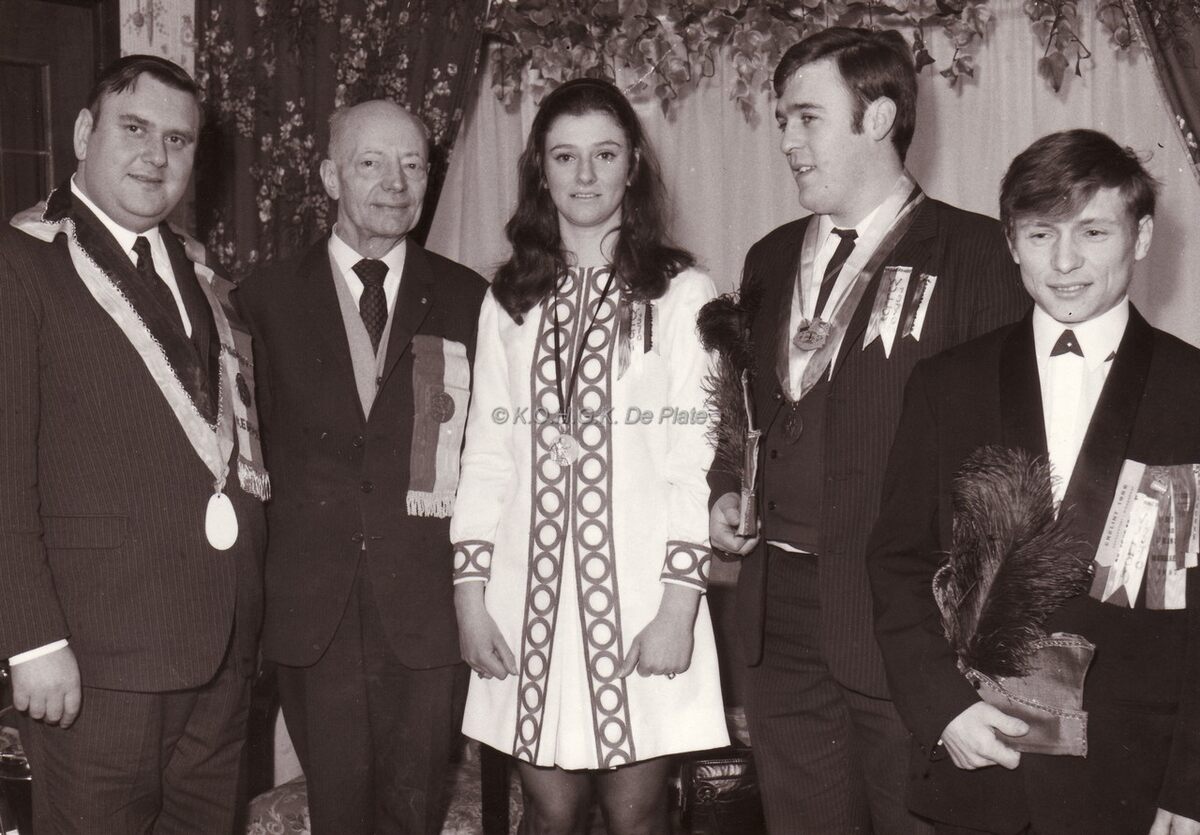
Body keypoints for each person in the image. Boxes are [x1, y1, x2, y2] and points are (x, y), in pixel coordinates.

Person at [707, 27, 1030, 833]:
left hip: (906, 625)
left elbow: (1007, 468)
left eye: (807, 118)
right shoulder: (770, 257)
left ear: (878, 117)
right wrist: (725, 489)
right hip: (777, 619)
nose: (788, 141)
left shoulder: (976, 254)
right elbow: (747, 407)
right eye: (783, 120)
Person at [867, 128, 1200, 835]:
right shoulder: (946, 385)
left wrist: (1193, 785)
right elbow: (898, 563)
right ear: (1012, 243)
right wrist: (943, 709)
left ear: (1141, 237)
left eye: (1094, 232)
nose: (1065, 261)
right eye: (1041, 234)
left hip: (1139, 780)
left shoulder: (1193, 391)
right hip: (983, 764)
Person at [450, 77, 729, 834]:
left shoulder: (682, 292)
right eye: (564, 155)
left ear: (632, 165)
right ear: (539, 170)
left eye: (604, 154)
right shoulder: (507, 298)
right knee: (549, 812)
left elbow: (693, 456)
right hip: (525, 598)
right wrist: (471, 600)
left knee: (637, 814)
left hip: (642, 598)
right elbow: (486, 455)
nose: (584, 175)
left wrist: (678, 606)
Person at [0, 55, 269, 832]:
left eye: (178, 140)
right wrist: (31, 640)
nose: (157, 154)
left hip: (219, 654)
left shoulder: (201, 275)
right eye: (135, 128)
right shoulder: (20, 263)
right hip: (96, 662)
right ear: (85, 133)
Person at [235, 100, 487, 834]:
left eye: (413, 165)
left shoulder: (470, 298)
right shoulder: (261, 299)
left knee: (415, 812)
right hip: (312, 607)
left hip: (427, 608)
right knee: (338, 815)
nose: (396, 183)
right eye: (371, 163)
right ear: (329, 177)